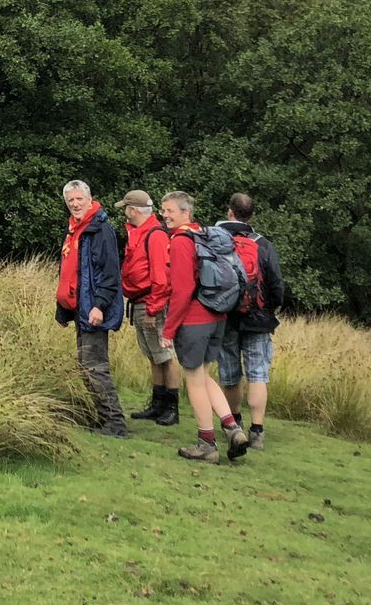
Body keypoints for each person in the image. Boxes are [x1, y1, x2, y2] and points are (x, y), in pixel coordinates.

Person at [159, 191, 250, 464]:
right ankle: (233, 428)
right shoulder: (204, 235)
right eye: (163, 210)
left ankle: (206, 442)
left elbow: (182, 289)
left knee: (194, 381)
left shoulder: (181, 242)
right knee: (204, 375)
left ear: (186, 212)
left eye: (170, 210)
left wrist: (168, 330)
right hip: (217, 317)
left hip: (194, 320)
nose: (164, 215)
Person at [55, 180, 129, 438]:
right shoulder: (75, 230)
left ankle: (116, 423)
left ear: (89, 199)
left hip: (94, 309)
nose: (75, 204)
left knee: (95, 366)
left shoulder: (100, 230)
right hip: (80, 308)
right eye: (70, 201)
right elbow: (71, 271)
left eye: (79, 199)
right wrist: (63, 309)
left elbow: (110, 274)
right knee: (86, 365)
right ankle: (102, 418)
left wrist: (99, 306)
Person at [216, 192, 284, 450]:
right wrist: (269, 309)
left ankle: (234, 426)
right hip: (258, 319)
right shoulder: (263, 244)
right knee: (257, 373)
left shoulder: (218, 240)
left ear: (229, 211)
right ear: (251, 215)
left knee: (230, 374)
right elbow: (277, 285)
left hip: (225, 316)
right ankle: (257, 432)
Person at [117, 189, 180, 426]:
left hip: (152, 302)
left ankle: (171, 407)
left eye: (126, 207)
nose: (124, 212)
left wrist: (154, 308)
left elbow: (160, 277)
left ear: (133, 210)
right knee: (153, 355)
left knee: (165, 355)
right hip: (141, 301)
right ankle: (157, 404)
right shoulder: (140, 232)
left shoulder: (154, 235)